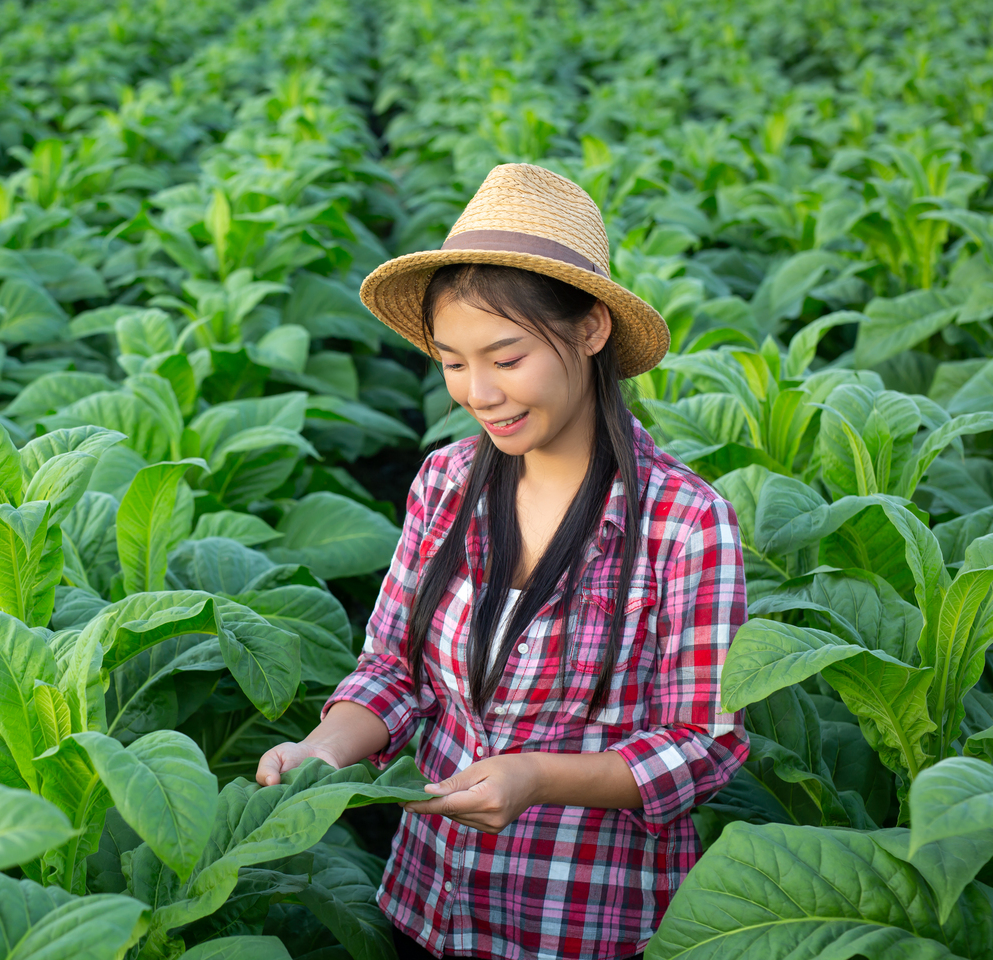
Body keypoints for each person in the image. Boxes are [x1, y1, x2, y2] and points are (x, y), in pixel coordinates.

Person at [255, 164, 749, 960]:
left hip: (585, 923)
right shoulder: (446, 483)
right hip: (429, 900)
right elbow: (392, 668)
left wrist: (537, 778)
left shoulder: (686, 523)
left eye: (507, 357)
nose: (478, 392)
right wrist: (324, 750)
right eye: (453, 361)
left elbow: (704, 743)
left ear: (591, 330)